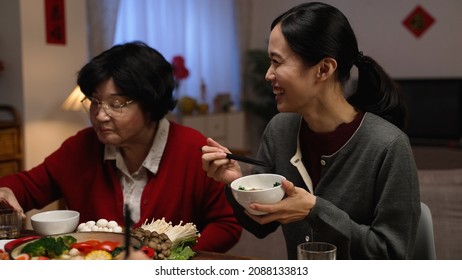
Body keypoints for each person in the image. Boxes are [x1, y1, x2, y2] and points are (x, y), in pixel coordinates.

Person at [201, 2, 420, 259]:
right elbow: (260, 224)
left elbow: (393, 255)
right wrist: (235, 182)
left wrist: (314, 211)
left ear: (324, 69)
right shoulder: (280, 130)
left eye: (277, 62)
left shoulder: (388, 145)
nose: (268, 75)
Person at [0, 41, 241, 253]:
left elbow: (227, 224)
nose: (100, 116)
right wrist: (6, 192)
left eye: (116, 104)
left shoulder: (194, 149)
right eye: (94, 102)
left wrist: (173, 258)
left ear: (150, 104)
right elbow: (25, 187)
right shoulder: (81, 147)